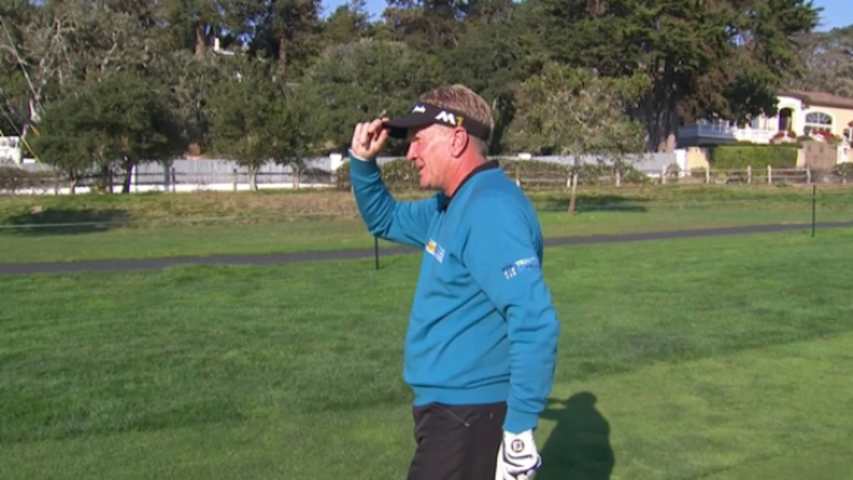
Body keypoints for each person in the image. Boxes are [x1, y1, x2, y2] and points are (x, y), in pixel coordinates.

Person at [349, 84, 560, 480]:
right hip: (451, 412)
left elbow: (534, 321)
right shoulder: (450, 204)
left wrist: (518, 434)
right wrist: (362, 162)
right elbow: (386, 219)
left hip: (470, 416)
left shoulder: (489, 208)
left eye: (419, 141)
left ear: (458, 139)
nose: (410, 154)